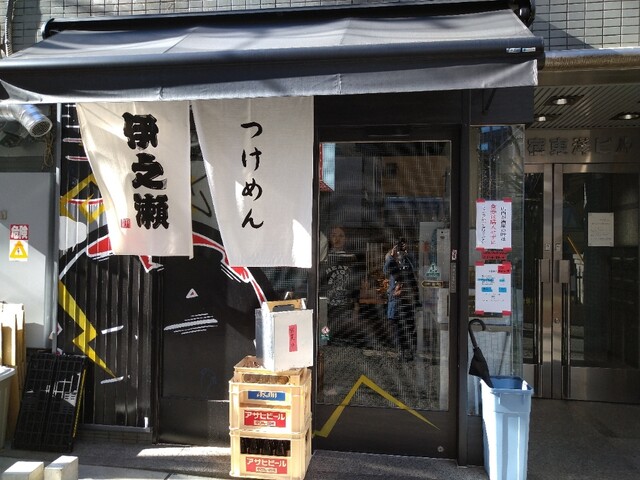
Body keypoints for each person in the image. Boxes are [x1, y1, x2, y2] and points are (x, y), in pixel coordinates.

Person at [320, 226, 359, 345]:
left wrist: (356, 307)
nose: (337, 239)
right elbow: (319, 283)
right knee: (325, 337)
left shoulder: (351, 258)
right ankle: (326, 347)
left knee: (344, 339)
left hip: (345, 305)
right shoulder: (323, 259)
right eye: (334, 235)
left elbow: (355, 284)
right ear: (329, 238)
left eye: (341, 236)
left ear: (346, 239)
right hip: (327, 305)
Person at [383, 239, 419, 361]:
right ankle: (401, 352)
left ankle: (412, 352)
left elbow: (415, 268)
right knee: (397, 327)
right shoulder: (391, 259)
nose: (400, 249)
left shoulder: (408, 259)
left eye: (402, 246)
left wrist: (408, 253)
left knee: (410, 326)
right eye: (398, 246)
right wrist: (391, 256)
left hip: (408, 298)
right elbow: (386, 271)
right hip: (396, 299)